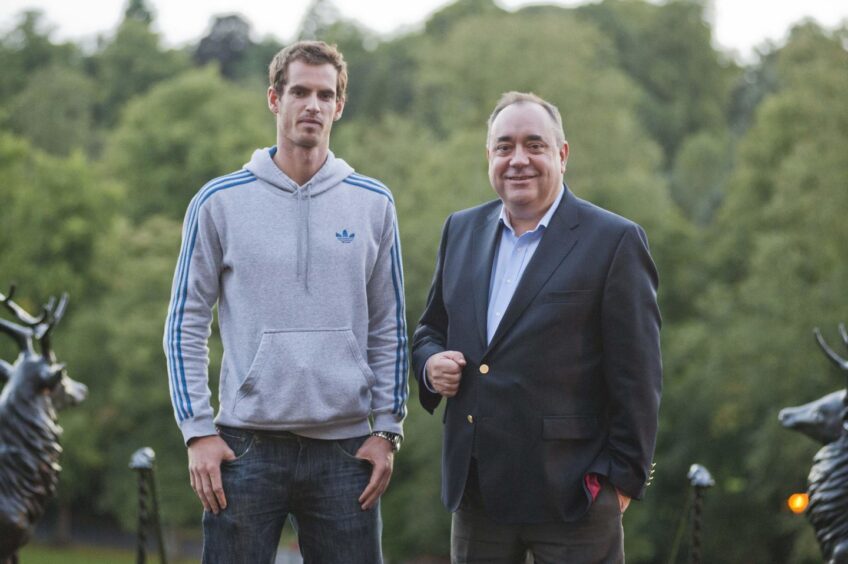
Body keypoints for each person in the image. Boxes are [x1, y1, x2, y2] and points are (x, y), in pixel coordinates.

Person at [163, 40, 407, 564]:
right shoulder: (219, 202)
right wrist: (197, 432)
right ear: (275, 99)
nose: (312, 105)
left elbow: (390, 325)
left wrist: (388, 428)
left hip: (347, 451)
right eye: (299, 91)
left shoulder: (373, 203)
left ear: (339, 106)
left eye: (325, 94)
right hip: (245, 446)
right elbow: (185, 321)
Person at [412, 91, 662, 563]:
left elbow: (639, 374)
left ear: (562, 155)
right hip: (476, 494)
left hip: (573, 496)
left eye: (534, 145)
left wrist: (620, 480)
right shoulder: (460, 230)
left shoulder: (614, 241)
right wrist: (429, 366)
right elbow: (429, 331)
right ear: (489, 156)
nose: (518, 160)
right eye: (504, 146)